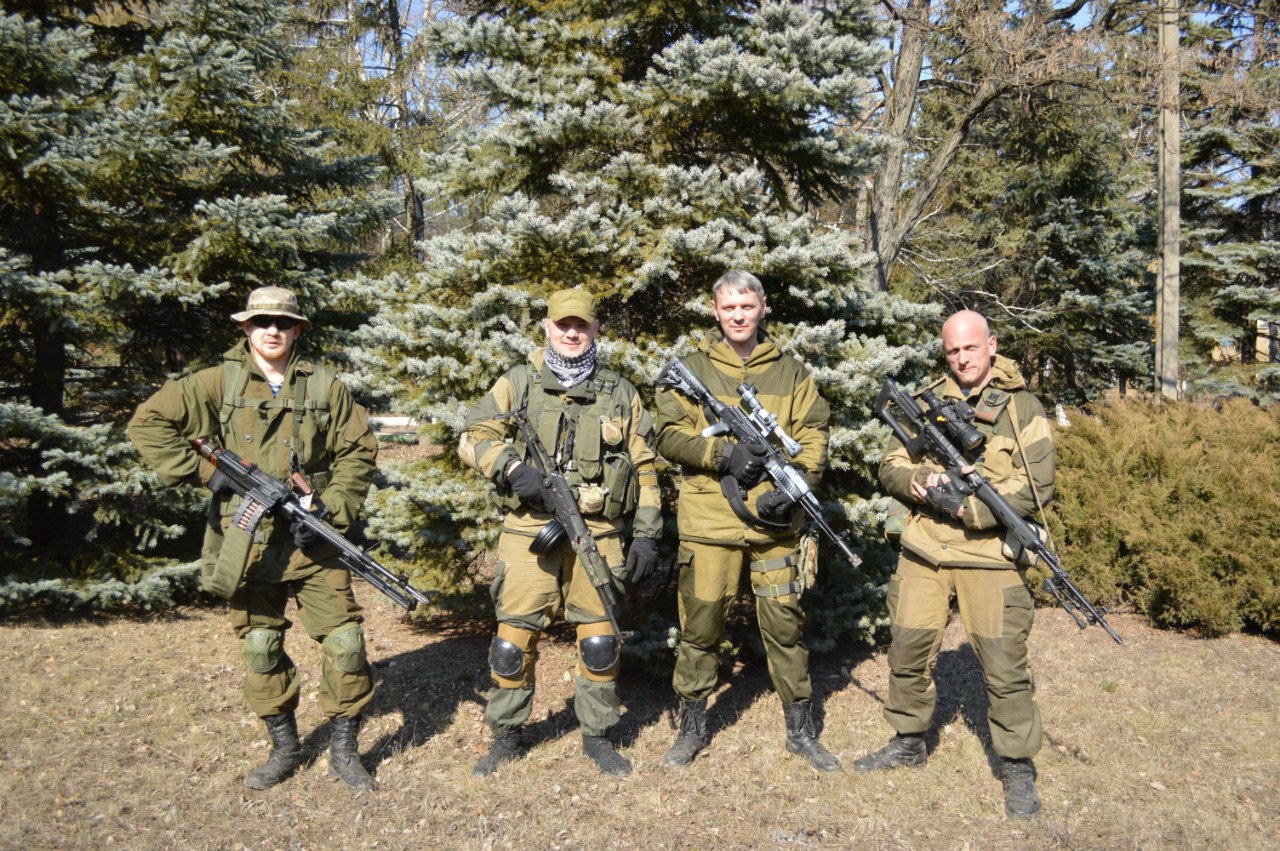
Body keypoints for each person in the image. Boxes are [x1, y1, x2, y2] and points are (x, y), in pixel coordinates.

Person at [129, 286, 380, 793]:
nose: (272, 330)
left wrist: (329, 508)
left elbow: (358, 450)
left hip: (311, 540)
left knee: (346, 642)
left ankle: (344, 751)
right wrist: (208, 472)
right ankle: (285, 749)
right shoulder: (216, 381)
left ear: (297, 330)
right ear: (245, 327)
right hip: (248, 542)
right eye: (262, 321)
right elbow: (148, 423)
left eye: (283, 323)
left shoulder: (324, 385)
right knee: (261, 645)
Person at [855, 309, 1055, 819]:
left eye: (970, 348)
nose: (962, 359)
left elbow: (1036, 486)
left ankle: (1016, 766)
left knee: (1004, 666)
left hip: (990, 557)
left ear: (991, 345)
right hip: (925, 550)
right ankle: (908, 741)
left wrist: (969, 509)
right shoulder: (924, 401)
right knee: (907, 649)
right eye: (952, 351)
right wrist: (922, 480)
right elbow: (890, 465)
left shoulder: (1021, 407)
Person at [458, 288, 662, 778]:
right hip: (529, 528)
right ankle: (507, 736)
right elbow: (472, 436)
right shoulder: (518, 382)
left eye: (582, 325)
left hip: (599, 531)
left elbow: (646, 465)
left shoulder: (621, 392)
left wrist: (647, 532)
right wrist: (512, 469)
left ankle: (598, 735)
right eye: (563, 324)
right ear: (547, 327)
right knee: (512, 641)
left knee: (599, 641)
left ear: (596, 330)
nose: (572, 333)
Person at [654, 270, 839, 772]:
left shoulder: (791, 373)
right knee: (701, 626)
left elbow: (814, 434)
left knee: (785, 626)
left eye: (747, 306)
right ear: (716, 312)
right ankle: (691, 728)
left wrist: (793, 489)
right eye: (729, 307)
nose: (738, 316)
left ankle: (800, 731)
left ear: (763, 308)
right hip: (710, 524)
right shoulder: (694, 369)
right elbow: (668, 436)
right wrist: (723, 456)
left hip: (773, 526)